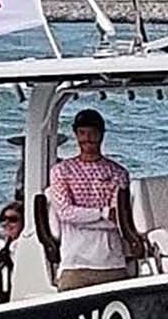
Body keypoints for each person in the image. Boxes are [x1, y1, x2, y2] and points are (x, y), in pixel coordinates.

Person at [47, 108, 131, 290]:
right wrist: (103, 214)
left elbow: (119, 220)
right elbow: (65, 212)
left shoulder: (118, 172)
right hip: (74, 264)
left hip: (112, 263)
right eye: (82, 133)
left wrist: (84, 217)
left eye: (92, 133)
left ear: (101, 135)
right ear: (76, 135)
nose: (87, 138)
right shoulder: (61, 171)